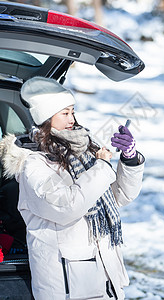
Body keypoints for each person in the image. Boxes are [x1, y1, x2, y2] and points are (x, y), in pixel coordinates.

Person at [0, 76, 145, 300]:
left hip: (105, 276)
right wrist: (101, 167)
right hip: (67, 285)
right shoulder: (33, 163)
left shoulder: (84, 147)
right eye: (65, 113)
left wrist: (130, 158)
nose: (72, 119)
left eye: (73, 111)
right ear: (47, 117)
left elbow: (119, 197)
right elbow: (66, 206)